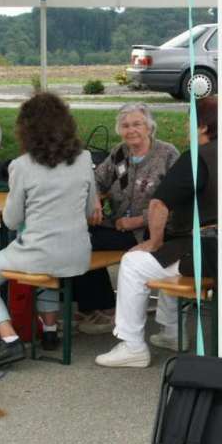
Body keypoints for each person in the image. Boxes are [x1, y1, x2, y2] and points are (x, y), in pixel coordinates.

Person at [95, 96, 222, 368]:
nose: (188, 127)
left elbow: (159, 204)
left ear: (204, 127)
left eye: (190, 122)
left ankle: (132, 345)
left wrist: (154, 240)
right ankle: (171, 333)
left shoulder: (197, 158)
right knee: (163, 260)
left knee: (135, 263)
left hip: (206, 251)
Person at [0, 93, 97, 370]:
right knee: (44, 267)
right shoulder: (85, 158)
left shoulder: (21, 166)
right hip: (78, 253)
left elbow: (12, 221)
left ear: (26, 128)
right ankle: (49, 329)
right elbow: (89, 211)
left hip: (39, 252)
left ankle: (8, 338)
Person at [75, 103, 179, 334]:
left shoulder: (167, 154)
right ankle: (98, 305)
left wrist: (140, 220)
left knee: (83, 242)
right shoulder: (119, 153)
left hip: (153, 232)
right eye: (125, 125)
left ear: (149, 127)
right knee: (77, 237)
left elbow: (177, 201)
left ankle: (100, 307)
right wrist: (94, 199)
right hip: (118, 226)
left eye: (137, 124)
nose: (131, 130)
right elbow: (93, 179)